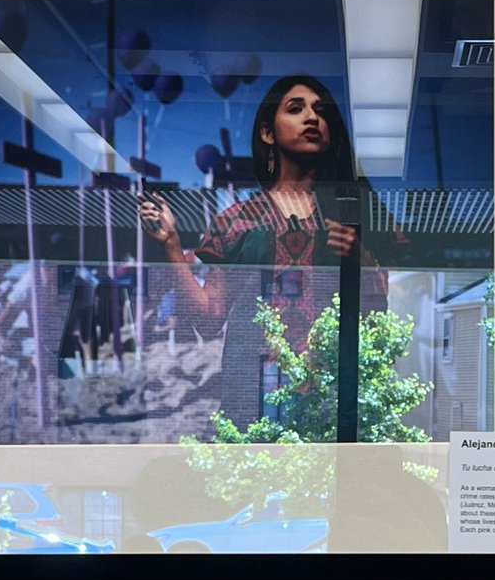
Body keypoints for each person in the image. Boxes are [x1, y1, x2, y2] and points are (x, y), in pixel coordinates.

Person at [138, 74, 406, 429]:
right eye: (296, 109)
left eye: (321, 112)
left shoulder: (354, 215)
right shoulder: (237, 221)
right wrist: (171, 245)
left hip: (330, 387)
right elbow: (208, 316)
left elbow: (378, 319)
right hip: (252, 388)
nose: (312, 118)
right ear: (268, 132)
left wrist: (362, 262)